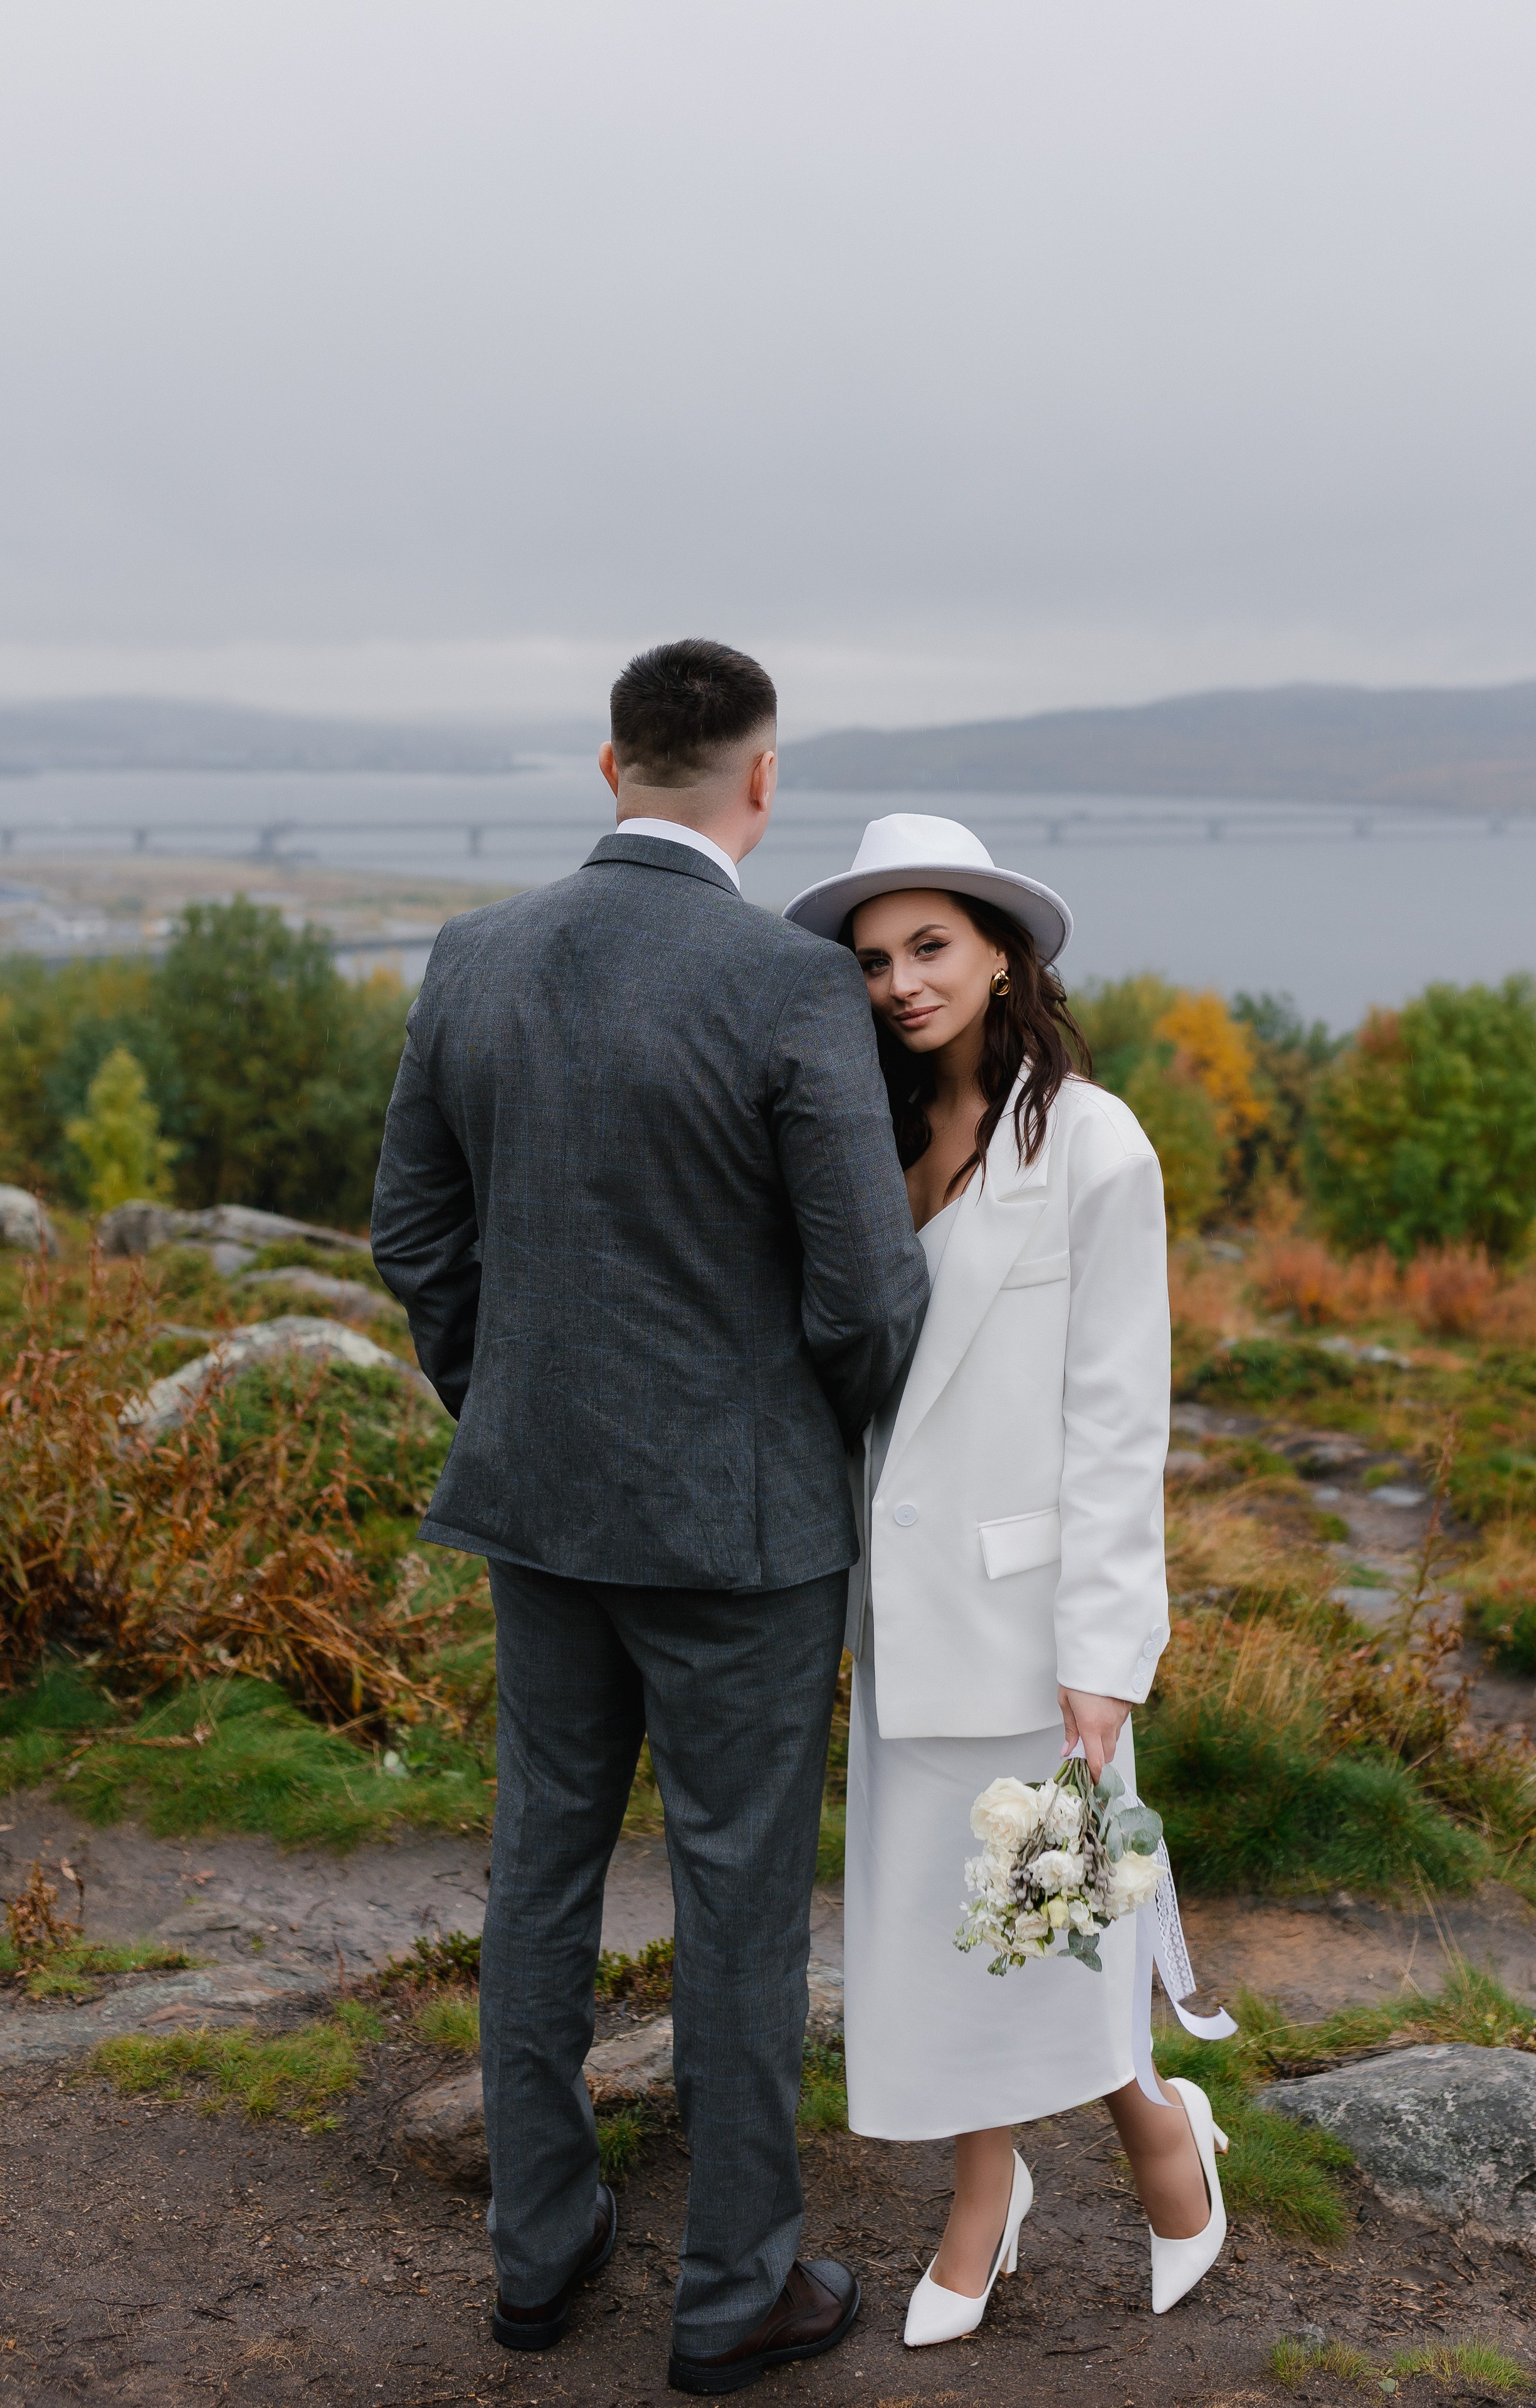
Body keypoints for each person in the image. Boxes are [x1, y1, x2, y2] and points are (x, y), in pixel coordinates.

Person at [371, 642, 928, 2397]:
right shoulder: (788, 990)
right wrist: (807, 1442)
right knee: (742, 1901)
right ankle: (736, 2294)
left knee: (540, 1870)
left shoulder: (474, 955)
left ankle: (538, 2260)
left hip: (537, 1511)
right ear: (763, 785)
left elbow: (415, 1238)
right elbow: (868, 1294)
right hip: (745, 1536)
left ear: (608, 768)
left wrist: (514, 1407)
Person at [783, 814, 1228, 2348]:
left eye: (929, 949)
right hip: (895, 1616)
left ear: (998, 954)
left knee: (1049, 1918)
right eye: (872, 961)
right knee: (932, 1928)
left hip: (1036, 1619)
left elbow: (1118, 1419)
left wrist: (1107, 1649)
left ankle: (1157, 2132)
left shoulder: (1093, 1142)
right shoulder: (866, 1139)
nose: (900, 984)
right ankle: (988, 2193)